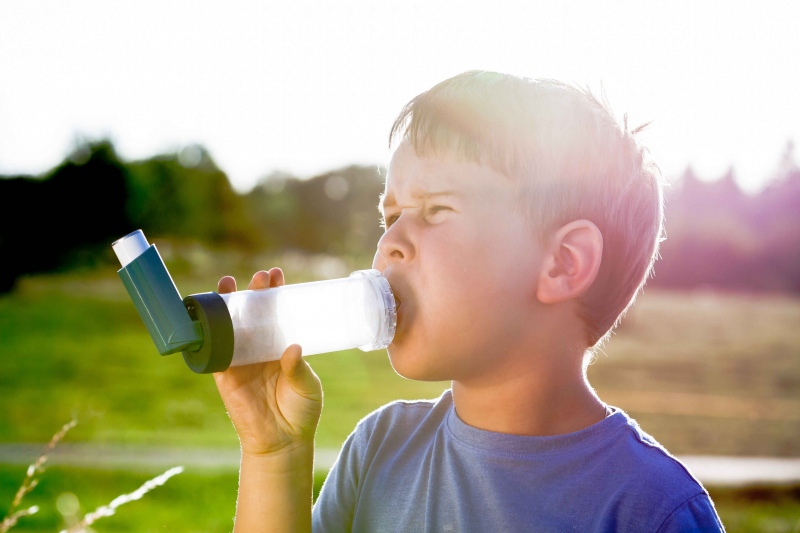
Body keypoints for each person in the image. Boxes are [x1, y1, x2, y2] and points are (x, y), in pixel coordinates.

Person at [212, 70, 726, 532]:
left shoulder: (651, 511)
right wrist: (273, 451)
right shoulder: (381, 451)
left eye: (435, 210)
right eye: (390, 217)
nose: (390, 243)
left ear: (564, 263)